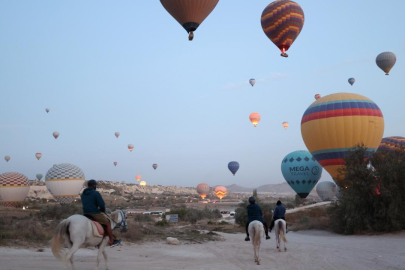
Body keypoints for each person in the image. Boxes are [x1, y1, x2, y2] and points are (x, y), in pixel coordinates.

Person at [81, 179, 122, 247]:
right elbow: (102, 205)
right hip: (94, 212)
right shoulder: (96, 193)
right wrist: (102, 210)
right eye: (95, 185)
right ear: (94, 186)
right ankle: (112, 240)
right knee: (108, 223)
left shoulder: (83, 194)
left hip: (85, 213)